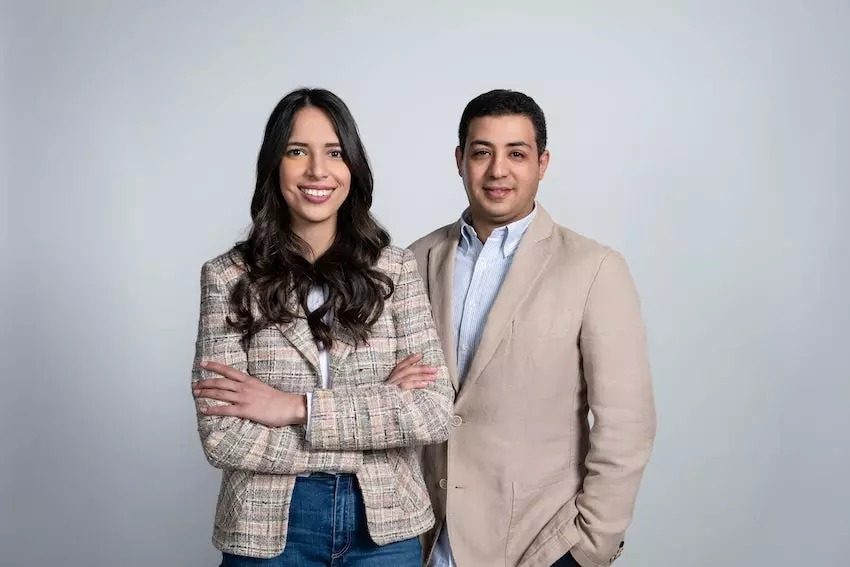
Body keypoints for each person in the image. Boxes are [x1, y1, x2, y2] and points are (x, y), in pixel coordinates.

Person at [190, 87, 453, 567]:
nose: (317, 170)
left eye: (334, 152)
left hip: (385, 528)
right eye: (297, 151)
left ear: (352, 166)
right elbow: (222, 436)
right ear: (275, 165)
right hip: (267, 530)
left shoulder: (395, 271)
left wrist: (294, 408)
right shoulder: (227, 277)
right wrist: (375, 420)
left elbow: (433, 412)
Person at [408, 89, 657, 567]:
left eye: (516, 154)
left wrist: (588, 548)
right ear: (460, 160)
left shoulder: (594, 268)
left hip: (539, 546)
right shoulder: (413, 261)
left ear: (542, 163)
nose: (498, 170)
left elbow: (627, 424)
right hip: (424, 544)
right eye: (482, 153)